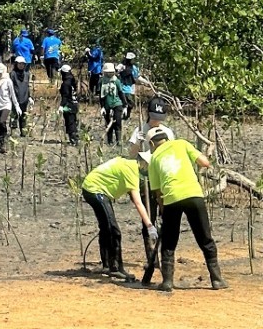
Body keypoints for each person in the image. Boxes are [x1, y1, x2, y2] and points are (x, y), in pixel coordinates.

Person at [147, 126, 228, 291]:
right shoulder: (182, 144)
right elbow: (205, 163)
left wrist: (163, 211)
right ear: (168, 138)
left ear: (152, 143)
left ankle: (168, 281)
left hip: (171, 199)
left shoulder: (154, 159)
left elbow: (157, 192)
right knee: (205, 237)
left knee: (169, 241)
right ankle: (217, 279)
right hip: (193, 195)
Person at [81, 152, 155, 280]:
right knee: (114, 230)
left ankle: (106, 266)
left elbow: (133, 197)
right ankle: (115, 268)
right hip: (95, 190)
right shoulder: (132, 172)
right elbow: (138, 203)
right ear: (144, 163)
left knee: (106, 228)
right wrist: (149, 225)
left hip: (92, 188)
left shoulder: (127, 163)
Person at [128, 96, 175, 273]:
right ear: (149, 114)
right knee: (148, 217)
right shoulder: (139, 130)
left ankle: (166, 253)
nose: (157, 121)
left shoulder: (168, 133)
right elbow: (132, 156)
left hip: (163, 179)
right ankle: (151, 255)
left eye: (160, 117)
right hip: (145, 180)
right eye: (154, 116)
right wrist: (138, 143)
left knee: (167, 217)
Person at [99, 63, 124, 145]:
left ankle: (119, 141)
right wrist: (102, 107)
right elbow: (101, 95)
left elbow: (121, 93)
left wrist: (125, 105)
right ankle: (110, 141)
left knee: (117, 122)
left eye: (111, 72)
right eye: (107, 72)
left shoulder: (116, 81)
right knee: (108, 122)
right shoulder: (102, 82)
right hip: (107, 105)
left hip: (117, 103)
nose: (109, 74)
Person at [9, 55, 33, 136]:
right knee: (14, 115)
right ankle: (13, 133)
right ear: (16, 64)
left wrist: (29, 97)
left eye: (22, 64)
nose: (21, 65)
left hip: (24, 98)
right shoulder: (12, 74)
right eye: (19, 64)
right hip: (15, 98)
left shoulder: (27, 74)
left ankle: (23, 133)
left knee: (23, 116)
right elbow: (10, 87)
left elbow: (27, 86)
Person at [58, 63, 79, 146]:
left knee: (70, 122)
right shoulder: (72, 81)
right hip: (74, 104)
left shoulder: (65, 84)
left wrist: (61, 106)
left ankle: (74, 139)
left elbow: (65, 96)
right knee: (73, 121)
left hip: (68, 105)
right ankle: (74, 137)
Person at [117, 51, 140, 119]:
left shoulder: (134, 68)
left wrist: (147, 82)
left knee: (129, 104)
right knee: (125, 104)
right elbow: (116, 72)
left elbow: (137, 77)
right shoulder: (121, 66)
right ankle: (123, 116)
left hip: (129, 88)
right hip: (123, 88)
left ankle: (125, 117)